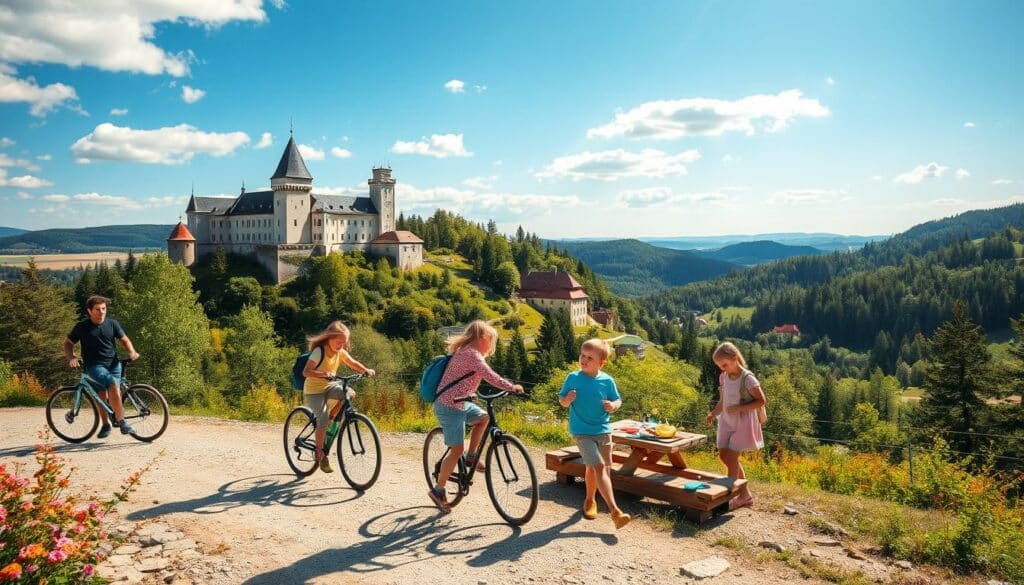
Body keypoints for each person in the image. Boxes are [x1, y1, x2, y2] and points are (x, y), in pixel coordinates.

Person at [428, 320, 523, 513]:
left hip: (462, 402)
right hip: (449, 406)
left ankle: (471, 456)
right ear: (481, 338)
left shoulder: (467, 352)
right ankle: (438, 490)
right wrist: (511, 387)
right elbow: (490, 376)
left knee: (484, 418)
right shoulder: (471, 354)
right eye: (491, 340)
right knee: (456, 450)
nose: (492, 345)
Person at [558, 338, 631, 529]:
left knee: (599, 468)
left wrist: (613, 406)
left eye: (590, 357)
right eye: (583, 355)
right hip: (581, 431)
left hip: (603, 430)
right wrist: (567, 399)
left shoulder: (607, 381)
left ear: (601, 362)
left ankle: (590, 500)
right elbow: (562, 401)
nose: (584, 359)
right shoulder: (573, 378)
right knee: (598, 467)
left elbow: (617, 400)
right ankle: (615, 511)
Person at [303, 321, 375, 473]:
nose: (341, 345)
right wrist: (323, 373)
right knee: (322, 420)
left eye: (344, 342)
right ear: (329, 338)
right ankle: (319, 452)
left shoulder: (340, 352)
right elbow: (306, 372)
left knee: (349, 393)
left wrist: (365, 370)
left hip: (329, 386)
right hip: (314, 391)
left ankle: (332, 417)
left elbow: (352, 362)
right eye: (338, 342)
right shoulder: (319, 352)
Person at [63, 295, 140, 437]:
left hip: (113, 364)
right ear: (90, 311)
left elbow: (124, 340)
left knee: (113, 387)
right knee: (103, 393)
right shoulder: (82, 327)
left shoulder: (112, 324)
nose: (102, 312)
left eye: (104, 308)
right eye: (98, 309)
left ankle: (119, 420)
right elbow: (68, 343)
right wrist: (71, 356)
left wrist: (132, 351)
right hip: (94, 366)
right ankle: (108, 424)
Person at [705, 341, 765, 510]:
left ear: (734, 358)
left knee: (732, 459)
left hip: (743, 422)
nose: (722, 368)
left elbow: (762, 400)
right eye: (719, 366)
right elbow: (723, 401)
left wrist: (739, 408)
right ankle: (745, 495)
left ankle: (727, 499)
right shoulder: (724, 376)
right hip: (727, 420)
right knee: (724, 456)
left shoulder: (748, 378)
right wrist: (713, 414)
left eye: (724, 364)